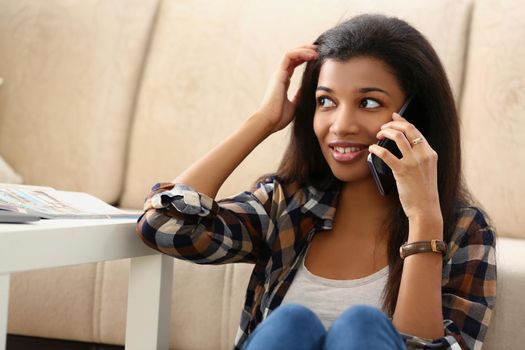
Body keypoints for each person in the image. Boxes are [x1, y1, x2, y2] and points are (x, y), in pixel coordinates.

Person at [136, 14, 496, 350]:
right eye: (326, 101)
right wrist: (262, 121)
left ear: (412, 116)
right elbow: (165, 225)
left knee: (363, 326)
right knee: (290, 322)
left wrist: (424, 219)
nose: (340, 125)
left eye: (368, 102)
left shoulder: (464, 229)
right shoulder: (287, 203)